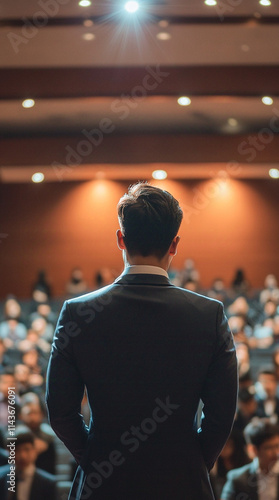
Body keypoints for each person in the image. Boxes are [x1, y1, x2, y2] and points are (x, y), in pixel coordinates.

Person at [46, 182, 238, 500]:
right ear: (174, 244)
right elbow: (221, 415)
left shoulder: (77, 312)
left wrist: (96, 459)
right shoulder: (210, 315)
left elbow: (61, 411)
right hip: (183, 486)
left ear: (121, 239)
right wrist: (189, 463)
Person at [221, 419, 279, 500]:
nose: (276, 453)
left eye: (277, 446)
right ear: (253, 450)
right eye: (268, 448)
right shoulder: (237, 479)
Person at [0, 426, 57, 500]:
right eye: (17, 450)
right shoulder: (1, 477)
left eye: (27, 449)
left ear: (34, 450)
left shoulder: (48, 482)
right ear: (9, 452)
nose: (22, 456)